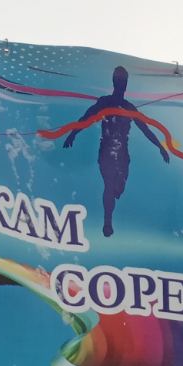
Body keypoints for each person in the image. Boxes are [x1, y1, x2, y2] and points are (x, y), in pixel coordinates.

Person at [62, 66, 171, 237]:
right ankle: (107, 223)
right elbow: (87, 117)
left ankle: (113, 198)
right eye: (119, 80)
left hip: (123, 154)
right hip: (106, 151)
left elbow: (145, 129)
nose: (121, 84)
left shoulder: (129, 107)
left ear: (126, 84)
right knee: (109, 185)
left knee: (118, 189)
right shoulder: (105, 102)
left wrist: (160, 147)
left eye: (124, 81)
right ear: (114, 82)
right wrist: (73, 134)